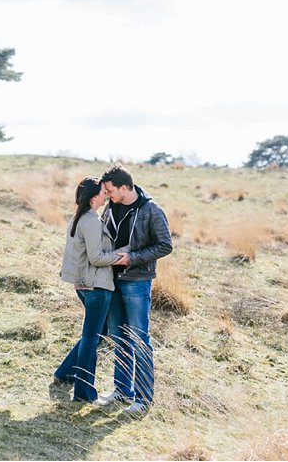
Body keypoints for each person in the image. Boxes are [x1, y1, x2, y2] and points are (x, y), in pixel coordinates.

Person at [97, 164, 173, 417]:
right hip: (111, 280)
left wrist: (132, 258)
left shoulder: (151, 209)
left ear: (125, 187)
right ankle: (122, 390)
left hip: (137, 281)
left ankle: (143, 399)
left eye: (110, 190)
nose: (107, 195)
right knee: (118, 337)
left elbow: (165, 245)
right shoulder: (111, 207)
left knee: (140, 339)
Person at [53, 177, 123, 403]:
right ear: (94, 197)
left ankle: (64, 373)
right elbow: (96, 257)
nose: (106, 195)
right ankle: (84, 393)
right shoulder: (91, 221)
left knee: (96, 333)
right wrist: (121, 258)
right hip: (97, 286)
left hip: (83, 285)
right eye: (103, 192)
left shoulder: (78, 218)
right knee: (92, 337)